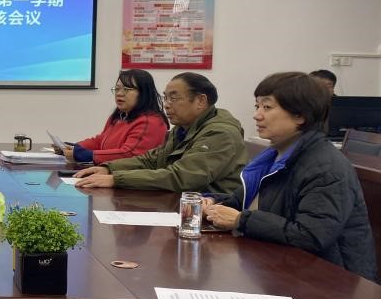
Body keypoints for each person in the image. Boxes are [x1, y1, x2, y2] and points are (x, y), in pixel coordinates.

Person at [204, 72, 376, 281]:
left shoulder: (326, 167)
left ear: (300, 116)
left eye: (267, 107)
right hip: (279, 267)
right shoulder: (274, 155)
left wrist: (241, 220)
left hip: (331, 282)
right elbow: (243, 202)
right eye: (257, 106)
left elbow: (311, 236)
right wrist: (211, 203)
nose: (257, 115)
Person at [74, 72, 246, 193]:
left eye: (174, 98)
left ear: (201, 101)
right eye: (165, 97)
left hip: (209, 212)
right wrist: (108, 168)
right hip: (179, 202)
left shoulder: (221, 133)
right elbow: (152, 160)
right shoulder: (182, 128)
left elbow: (181, 177)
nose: (167, 105)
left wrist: (116, 179)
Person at [58, 69, 168, 165]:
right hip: (110, 172)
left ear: (143, 93)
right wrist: (75, 148)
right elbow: (100, 141)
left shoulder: (150, 122)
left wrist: (87, 155)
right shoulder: (118, 116)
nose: (119, 93)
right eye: (117, 89)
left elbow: (129, 154)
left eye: (126, 89)